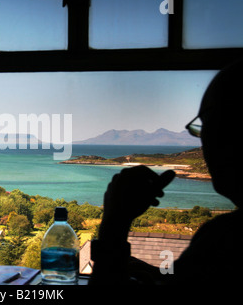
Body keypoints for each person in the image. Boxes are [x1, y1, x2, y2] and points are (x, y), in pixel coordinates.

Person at [89, 59, 243, 285]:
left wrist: (115, 221)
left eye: (206, 125)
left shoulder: (228, 239)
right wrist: (158, 277)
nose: (202, 144)